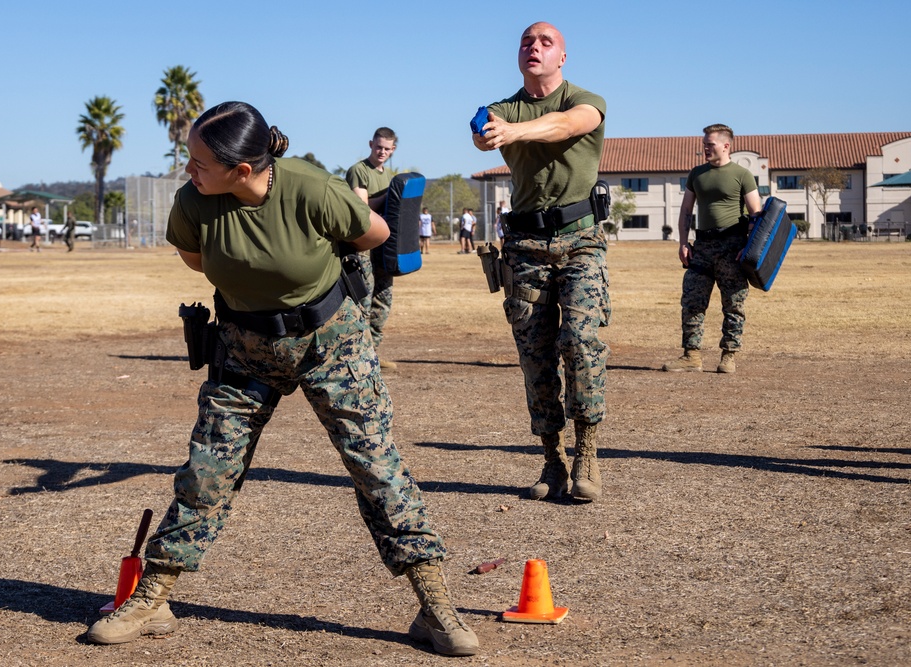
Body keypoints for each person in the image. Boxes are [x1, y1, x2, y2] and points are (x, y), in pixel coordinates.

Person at [86, 102, 478, 657]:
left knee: (377, 467)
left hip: (330, 343)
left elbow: (376, 233)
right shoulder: (193, 201)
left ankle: (435, 604)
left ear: (242, 168)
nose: (188, 169)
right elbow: (195, 259)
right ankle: (153, 597)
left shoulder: (311, 187)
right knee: (208, 470)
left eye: (198, 161)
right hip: (244, 348)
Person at [473, 21, 609, 502]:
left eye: (545, 42)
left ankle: (587, 451)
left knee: (581, 340)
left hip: (581, 241)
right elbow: (483, 133)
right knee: (536, 355)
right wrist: (494, 132)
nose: (535, 48)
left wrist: (515, 131)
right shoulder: (501, 109)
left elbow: (568, 127)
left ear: (563, 57)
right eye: (527, 42)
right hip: (525, 245)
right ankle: (552, 459)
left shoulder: (585, 100)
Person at [661, 123, 761, 375]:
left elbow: (756, 215)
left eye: (710, 144)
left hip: (732, 247)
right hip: (702, 247)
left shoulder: (742, 175)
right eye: (704, 144)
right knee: (692, 301)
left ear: (726, 146)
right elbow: (686, 210)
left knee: (733, 304)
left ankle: (728, 356)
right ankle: (691, 356)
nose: (705, 148)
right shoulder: (697, 174)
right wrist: (683, 243)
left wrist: (749, 249)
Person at [345, 127, 399, 370]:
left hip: (384, 247)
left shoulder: (390, 176)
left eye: (387, 149)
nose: (382, 152)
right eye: (378, 147)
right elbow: (362, 208)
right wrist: (391, 196)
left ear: (393, 149)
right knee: (363, 302)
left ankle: (372, 353)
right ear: (371, 144)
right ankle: (359, 357)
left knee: (383, 300)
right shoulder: (359, 171)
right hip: (362, 247)